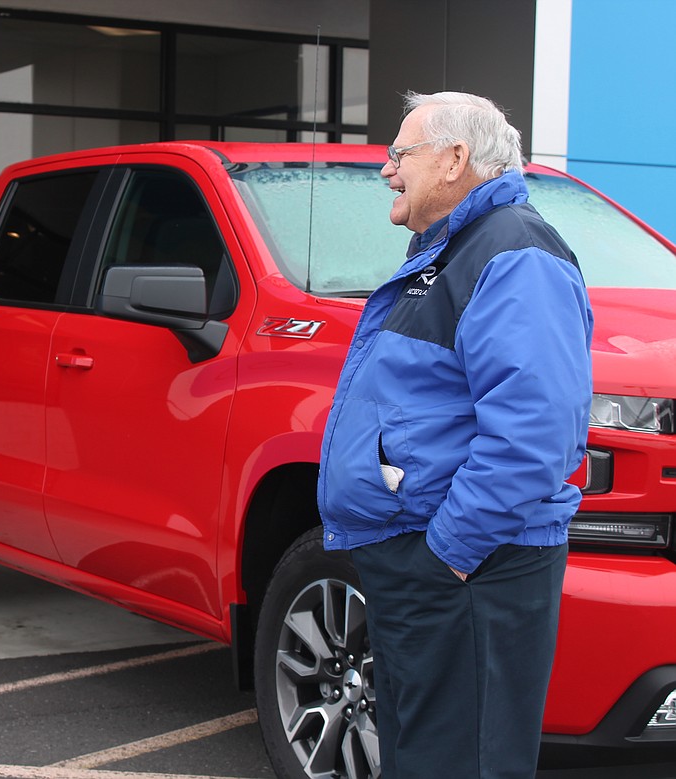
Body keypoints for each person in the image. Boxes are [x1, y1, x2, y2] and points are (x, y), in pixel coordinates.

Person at [317, 92, 593, 778]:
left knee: (461, 761)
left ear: (455, 159)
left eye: (399, 153)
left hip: (469, 570)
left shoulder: (512, 253)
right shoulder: (453, 251)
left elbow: (534, 433)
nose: (387, 170)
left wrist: (448, 553)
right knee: (426, 756)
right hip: (437, 569)